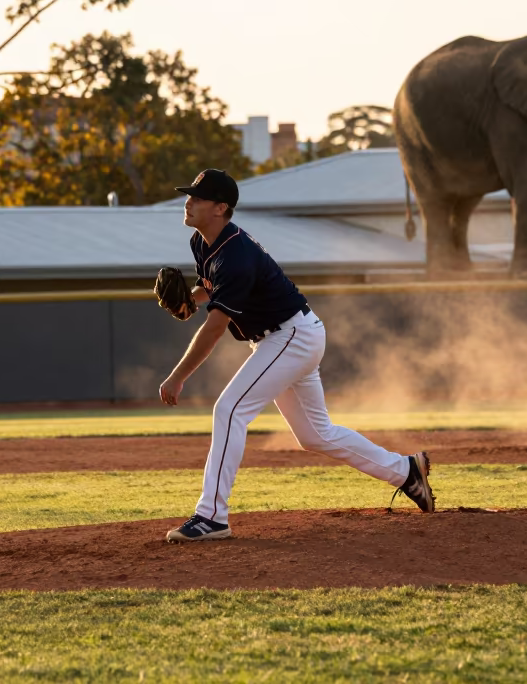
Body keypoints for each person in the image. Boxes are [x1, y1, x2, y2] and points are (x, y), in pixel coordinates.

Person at [159, 168, 435, 543]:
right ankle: (405, 471)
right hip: (288, 337)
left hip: (290, 336)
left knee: (229, 409)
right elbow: (214, 290)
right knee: (315, 435)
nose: (188, 201)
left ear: (221, 208)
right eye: (189, 194)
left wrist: (178, 375)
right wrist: (191, 300)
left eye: (198, 197)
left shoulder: (235, 253)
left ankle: (211, 516)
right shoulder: (202, 242)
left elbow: (215, 326)